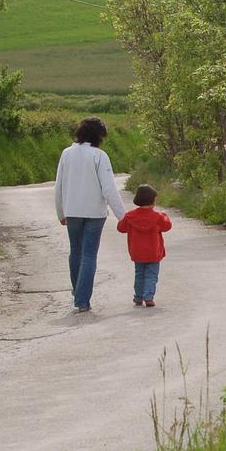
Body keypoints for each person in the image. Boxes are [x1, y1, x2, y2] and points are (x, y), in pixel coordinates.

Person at [54, 116, 126, 312]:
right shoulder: (99, 156)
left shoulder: (66, 154)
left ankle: (78, 291)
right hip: (95, 213)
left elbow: (58, 186)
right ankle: (82, 299)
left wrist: (61, 211)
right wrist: (123, 217)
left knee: (75, 251)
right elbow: (109, 190)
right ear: (99, 136)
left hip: (72, 210)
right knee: (88, 255)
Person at [117, 184, 172, 307]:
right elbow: (167, 226)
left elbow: (121, 228)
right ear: (153, 201)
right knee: (151, 275)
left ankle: (138, 296)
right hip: (153, 252)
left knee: (139, 274)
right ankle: (148, 297)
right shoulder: (157, 217)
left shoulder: (130, 216)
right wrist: (165, 215)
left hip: (137, 252)